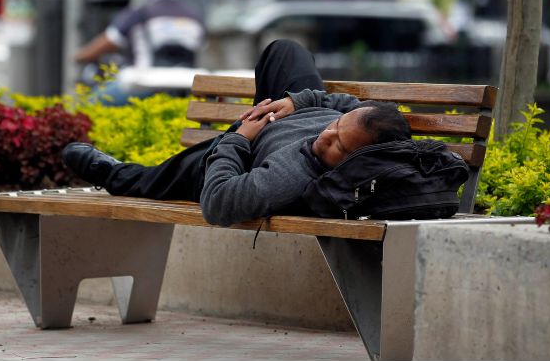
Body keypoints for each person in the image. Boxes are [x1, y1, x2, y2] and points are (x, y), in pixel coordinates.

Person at [62, 39, 411, 226]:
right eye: (335, 127)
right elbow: (353, 107)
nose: (325, 136)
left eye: (337, 145)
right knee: (287, 51)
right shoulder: (373, 128)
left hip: (246, 151)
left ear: (354, 163)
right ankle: (274, 108)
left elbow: (218, 205)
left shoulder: (288, 177)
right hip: (281, 114)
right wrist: (297, 102)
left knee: (164, 177)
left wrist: (239, 139)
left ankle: (115, 174)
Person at [74, 0, 205, 104]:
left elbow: (104, 44)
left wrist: (79, 56)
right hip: (185, 87)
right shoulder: (194, 16)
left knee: (91, 103)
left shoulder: (139, 13)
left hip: (145, 85)